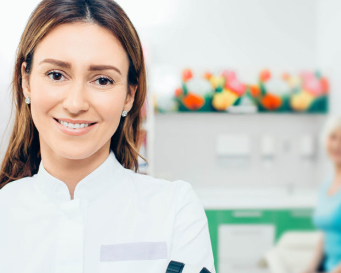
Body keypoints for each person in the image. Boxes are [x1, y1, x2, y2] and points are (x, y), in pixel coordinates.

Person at [0, 0, 216, 272]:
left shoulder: (175, 210)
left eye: (102, 80)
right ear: (26, 81)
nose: (76, 103)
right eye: (56, 75)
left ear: (129, 95)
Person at [303, 116, 341, 273]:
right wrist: (310, 269)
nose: (337, 144)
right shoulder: (326, 185)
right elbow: (325, 235)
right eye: (333, 137)